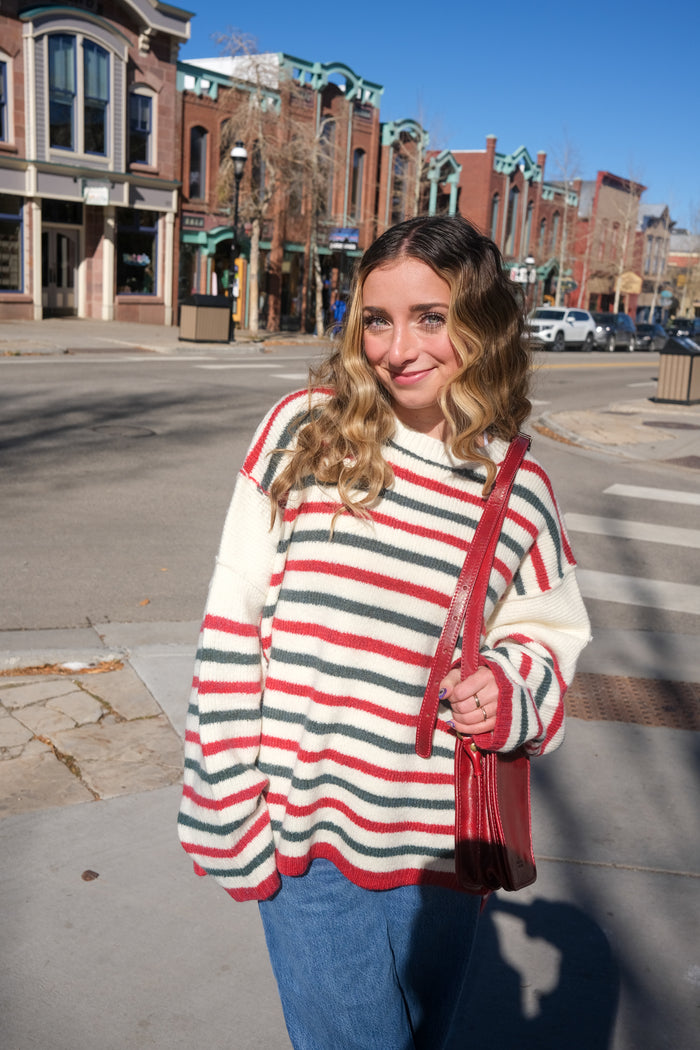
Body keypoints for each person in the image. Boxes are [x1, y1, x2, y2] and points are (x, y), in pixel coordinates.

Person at [178, 214, 591, 1050]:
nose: (398, 347)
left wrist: (507, 688)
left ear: (482, 323)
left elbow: (548, 637)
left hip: (444, 846)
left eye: (431, 317)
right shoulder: (305, 431)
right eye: (378, 318)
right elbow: (233, 616)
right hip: (305, 837)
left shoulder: (519, 484)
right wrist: (228, 803)